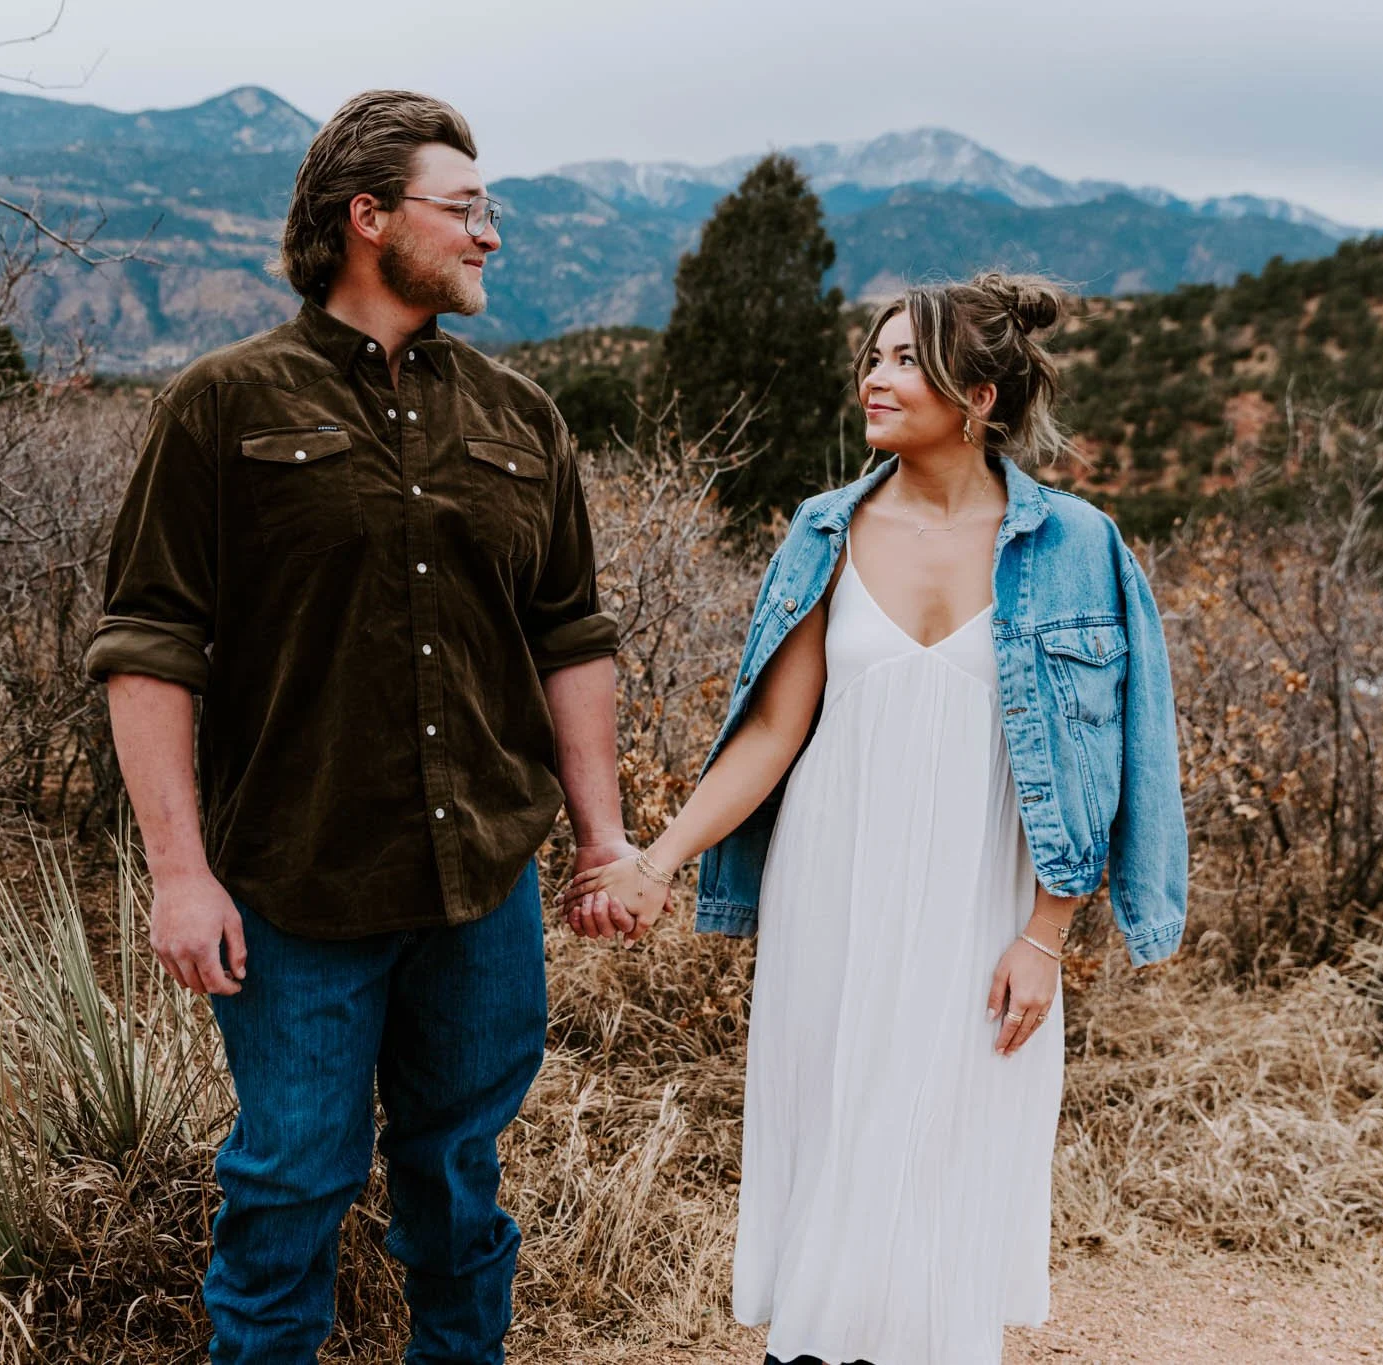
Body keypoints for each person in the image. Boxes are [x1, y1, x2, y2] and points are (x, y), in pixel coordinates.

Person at [86, 89, 636, 1365]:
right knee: (286, 1193)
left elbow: (569, 636)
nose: (489, 234)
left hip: (479, 890)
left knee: (459, 1194)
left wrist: (601, 839)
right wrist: (179, 876)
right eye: (465, 207)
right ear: (367, 218)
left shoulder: (521, 418)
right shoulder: (220, 407)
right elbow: (150, 646)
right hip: (293, 884)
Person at [562, 272, 1189, 1365]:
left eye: (905, 359)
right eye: (875, 355)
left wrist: (1045, 936)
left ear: (979, 393)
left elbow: (1110, 763)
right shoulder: (824, 530)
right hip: (833, 888)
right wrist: (657, 859)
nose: (875, 377)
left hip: (983, 902)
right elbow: (768, 735)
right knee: (842, 1139)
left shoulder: (1080, 548)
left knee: (947, 1148)